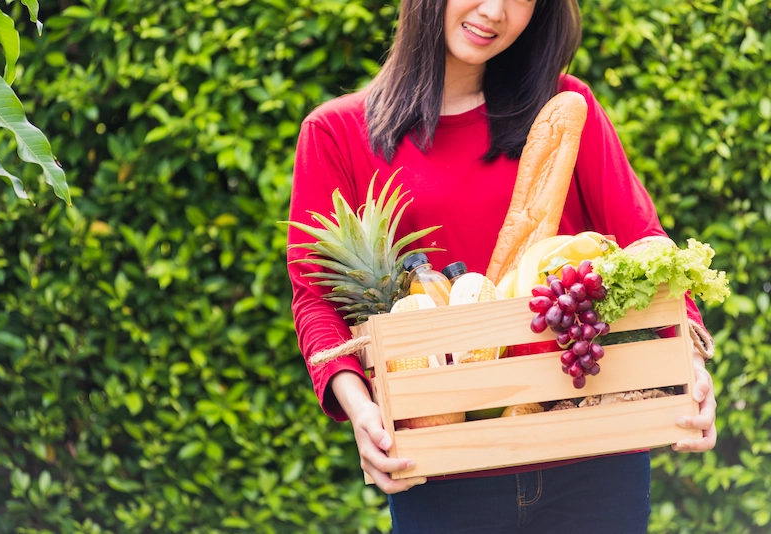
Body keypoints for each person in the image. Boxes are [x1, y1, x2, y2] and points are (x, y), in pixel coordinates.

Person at [286, 0, 717, 532]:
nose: (494, 11)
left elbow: (646, 242)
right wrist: (361, 411)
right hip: (442, 466)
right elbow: (316, 297)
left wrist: (691, 363)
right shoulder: (337, 133)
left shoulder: (565, 106)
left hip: (593, 453)